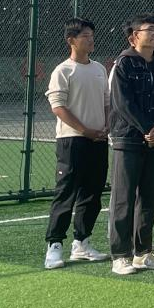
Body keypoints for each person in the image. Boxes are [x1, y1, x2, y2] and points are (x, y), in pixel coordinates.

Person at [43, 18, 111, 269]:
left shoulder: (99, 69)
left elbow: (107, 102)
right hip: (71, 141)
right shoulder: (63, 71)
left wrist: (106, 126)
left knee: (92, 193)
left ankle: (82, 243)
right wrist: (85, 130)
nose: (90, 39)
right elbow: (58, 107)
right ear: (71, 40)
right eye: (85, 36)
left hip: (98, 141)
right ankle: (54, 246)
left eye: (92, 35)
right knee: (66, 192)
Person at [107, 14, 154, 275]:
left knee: (150, 196)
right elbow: (123, 104)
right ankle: (120, 254)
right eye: (150, 30)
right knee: (123, 197)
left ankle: (143, 251)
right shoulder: (123, 63)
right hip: (128, 138)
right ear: (134, 36)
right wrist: (147, 128)